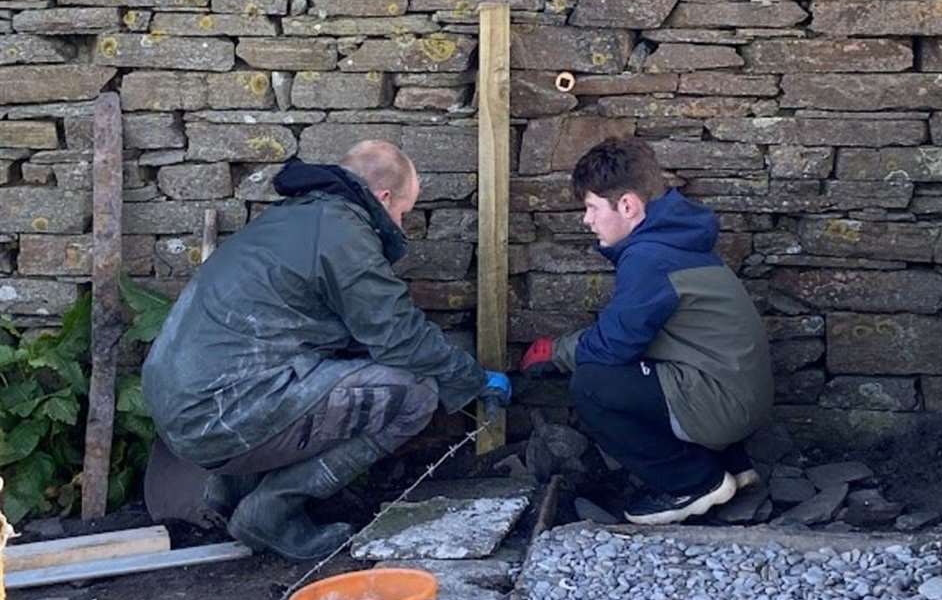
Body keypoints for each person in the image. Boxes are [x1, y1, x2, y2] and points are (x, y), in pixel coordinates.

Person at [141, 140, 510, 561]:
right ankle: (272, 511)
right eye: (403, 214)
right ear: (383, 197)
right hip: (220, 413)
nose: (401, 227)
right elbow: (399, 337)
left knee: (326, 371)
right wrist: (472, 379)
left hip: (183, 404)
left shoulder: (296, 217)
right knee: (416, 392)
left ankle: (232, 491)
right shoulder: (343, 233)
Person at [520, 136, 773, 526]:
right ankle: (732, 466)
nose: (586, 220)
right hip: (736, 393)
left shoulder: (650, 258)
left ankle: (693, 482)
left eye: (591, 207)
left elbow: (611, 346)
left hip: (722, 403)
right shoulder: (677, 240)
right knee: (645, 360)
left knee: (593, 384)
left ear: (627, 205)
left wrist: (555, 352)